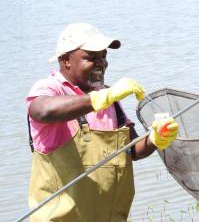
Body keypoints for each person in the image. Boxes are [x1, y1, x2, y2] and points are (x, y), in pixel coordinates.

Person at [26, 22, 178, 222]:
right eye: (91, 58)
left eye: (104, 56)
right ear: (66, 60)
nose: (102, 63)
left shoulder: (108, 97)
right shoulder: (51, 89)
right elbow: (42, 111)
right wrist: (101, 98)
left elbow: (132, 150)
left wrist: (155, 139)